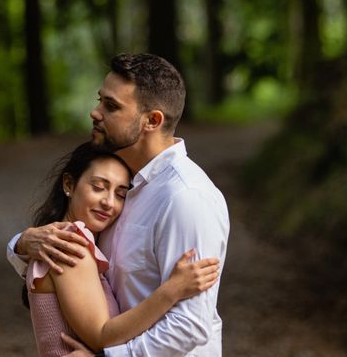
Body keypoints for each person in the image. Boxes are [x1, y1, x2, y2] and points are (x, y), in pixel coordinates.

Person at [8, 53, 230, 356]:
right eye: (101, 100)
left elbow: (189, 325)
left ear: (152, 120)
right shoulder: (126, 182)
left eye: (111, 106)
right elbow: (74, 272)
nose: (95, 112)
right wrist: (21, 244)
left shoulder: (185, 198)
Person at [23, 142, 220, 356]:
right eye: (98, 187)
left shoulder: (64, 240)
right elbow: (101, 337)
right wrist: (171, 291)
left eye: (120, 194)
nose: (109, 202)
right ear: (69, 184)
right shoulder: (69, 245)